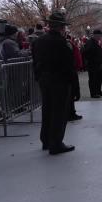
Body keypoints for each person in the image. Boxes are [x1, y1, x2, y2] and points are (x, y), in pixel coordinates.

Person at [32, 11, 78, 155]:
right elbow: (69, 66)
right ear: (61, 27)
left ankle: (45, 140)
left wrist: (38, 77)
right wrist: (74, 85)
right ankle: (56, 143)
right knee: (59, 112)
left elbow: (35, 61)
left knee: (47, 109)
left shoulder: (38, 41)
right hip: (60, 80)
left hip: (44, 79)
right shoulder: (63, 43)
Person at [83, 29, 102, 98]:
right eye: (100, 35)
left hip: (97, 64)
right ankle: (93, 93)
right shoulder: (90, 42)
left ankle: (98, 91)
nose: (101, 37)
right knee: (93, 78)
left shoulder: (95, 42)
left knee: (99, 77)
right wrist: (93, 59)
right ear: (96, 35)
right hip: (92, 64)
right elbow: (86, 52)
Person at [67, 35, 83, 121]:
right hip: (70, 71)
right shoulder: (69, 45)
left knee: (70, 94)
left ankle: (71, 113)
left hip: (71, 70)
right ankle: (70, 113)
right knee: (70, 94)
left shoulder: (70, 45)